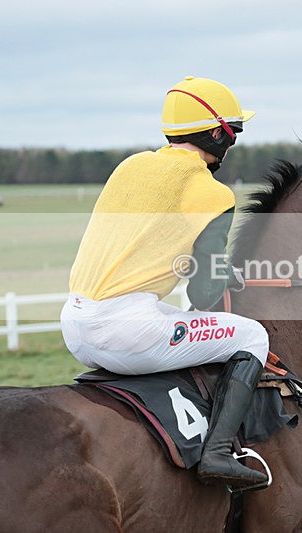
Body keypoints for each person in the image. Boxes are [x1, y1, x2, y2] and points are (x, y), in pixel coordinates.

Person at [60, 76, 269, 488]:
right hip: (127, 329)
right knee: (253, 337)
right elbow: (203, 294)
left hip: (74, 322)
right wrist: (223, 271)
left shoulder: (131, 166)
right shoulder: (212, 192)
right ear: (217, 134)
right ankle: (217, 453)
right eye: (235, 132)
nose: (234, 143)